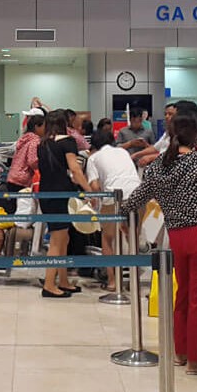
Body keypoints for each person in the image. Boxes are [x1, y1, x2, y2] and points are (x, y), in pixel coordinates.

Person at [121, 111, 197, 375]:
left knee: (181, 295)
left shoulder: (159, 164)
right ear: (196, 135)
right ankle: (195, 360)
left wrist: (121, 209)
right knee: (196, 299)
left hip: (177, 238)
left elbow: (137, 197)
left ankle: (179, 353)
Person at [37, 110, 93, 298]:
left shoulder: (42, 144)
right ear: (64, 124)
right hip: (61, 193)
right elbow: (75, 169)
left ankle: (63, 281)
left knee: (63, 238)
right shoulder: (68, 142)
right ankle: (49, 285)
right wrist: (89, 191)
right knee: (57, 240)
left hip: (45, 193)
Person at [85, 129, 141, 290]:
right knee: (132, 238)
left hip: (113, 196)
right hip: (137, 194)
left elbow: (95, 187)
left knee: (107, 238)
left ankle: (112, 281)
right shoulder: (122, 152)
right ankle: (134, 281)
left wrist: (93, 200)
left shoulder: (93, 158)